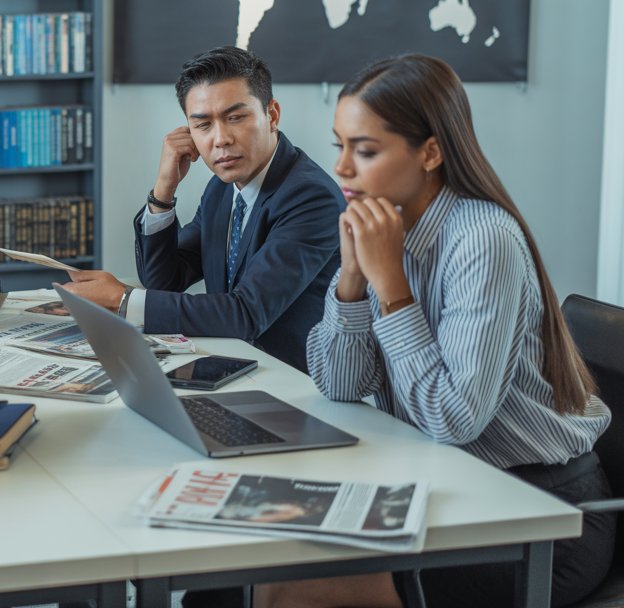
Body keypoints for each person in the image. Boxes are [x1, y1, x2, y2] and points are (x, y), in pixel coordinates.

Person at [262, 54, 613, 608]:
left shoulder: (483, 239)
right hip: (446, 486)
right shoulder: (386, 225)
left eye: (365, 150)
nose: (342, 169)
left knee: (286, 591)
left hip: (542, 516)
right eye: (339, 146)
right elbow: (339, 384)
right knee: (255, 561)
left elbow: (452, 419)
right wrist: (351, 279)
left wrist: (391, 285)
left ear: (430, 152)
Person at [62, 47, 344, 372]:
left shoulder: (311, 197)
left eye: (235, 118)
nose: (221, 139)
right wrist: (163, 190)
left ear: (272, 115)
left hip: (294, 381)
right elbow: (166, 281)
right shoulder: (221, 188)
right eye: (203, 125)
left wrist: (123, 300)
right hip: (232, 367)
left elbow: (246, 314)